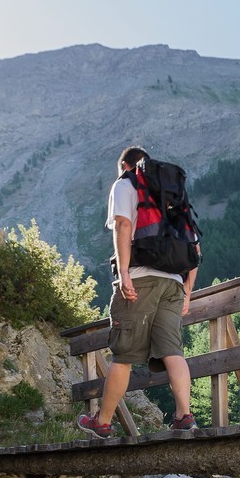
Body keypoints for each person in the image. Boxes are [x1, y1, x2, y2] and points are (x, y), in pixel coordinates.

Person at [78, 145, 199, 438]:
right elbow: (195, 248)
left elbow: (123, 224)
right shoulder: (171, 194)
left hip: (140, 279)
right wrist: (188, 291)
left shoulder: (126, 184)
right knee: (173, 351)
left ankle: (102, 422)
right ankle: (184, 416)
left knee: (124, 355)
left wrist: (123, 273)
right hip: (174, 283)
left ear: (125, 166)